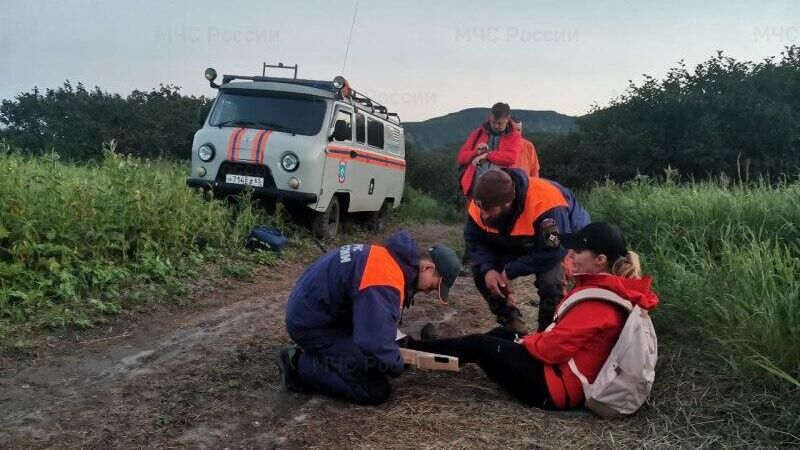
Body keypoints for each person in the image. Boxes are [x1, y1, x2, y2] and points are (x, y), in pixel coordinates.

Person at [404, 222, 660, 411]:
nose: (570, 255)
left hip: (555, 389)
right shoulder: (609, 289)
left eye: (578, 252)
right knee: (500, 335)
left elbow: (552, 350)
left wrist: (525, 342)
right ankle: (437, 353)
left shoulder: (599, 304)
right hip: (559, 375)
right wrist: (524, 341)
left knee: (481, 345)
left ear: (600, 260)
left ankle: (412, 351)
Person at [278, 230, 460, 405]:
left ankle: (324, 355)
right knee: (374, 389)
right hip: (312, 325)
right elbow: (373, 342)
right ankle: (297, 364)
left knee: (380, 358)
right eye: (434, 286)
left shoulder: (391, 259)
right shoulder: (385, 278)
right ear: (428, 267)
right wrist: (396, 363)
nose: (429, 292)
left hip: (319, 312)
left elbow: (377, 320)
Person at [465, 168, 590, 334]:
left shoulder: (546, 204)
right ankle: (511, 321)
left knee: (551, 282)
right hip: (518, 237)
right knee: (481, 272)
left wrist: (510, 271)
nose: (483, 215)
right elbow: (475, 240)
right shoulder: (482, 203)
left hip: (563, 239)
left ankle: (546, 334)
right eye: (481, 208)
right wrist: (488, 269)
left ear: (507, 203)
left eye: (489, 211)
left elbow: (553, 251)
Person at [456, 102, 522, 197]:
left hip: (500, 191)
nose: (496, 126)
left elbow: (512, 157)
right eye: (493, 122)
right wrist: (476, 153)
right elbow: (461, 157)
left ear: (507, 118)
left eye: (500, 123)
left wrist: (487, 155)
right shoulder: (478, 133)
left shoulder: (514, 136)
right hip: (475, 190)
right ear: (490, 116)